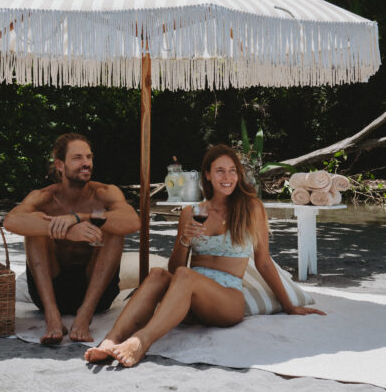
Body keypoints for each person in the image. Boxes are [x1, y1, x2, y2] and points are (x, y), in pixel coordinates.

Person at [85, 143, 325, 368]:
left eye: (232, 171)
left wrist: (289, 306)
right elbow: (175, 267)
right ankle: (111, 339)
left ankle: (141, 341)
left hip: (226, 302)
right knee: (158, 274)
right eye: (220, 171)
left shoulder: (251, 209)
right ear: (207, 175)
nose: (227, 177)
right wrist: (184, 240)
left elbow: (263, 262)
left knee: (185, 276)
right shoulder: (191, 212)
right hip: (188, 302)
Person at [4, 133, 140, 345]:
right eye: (77, 158)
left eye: (89, 157)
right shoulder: (44, 197)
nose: (86, 163)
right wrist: (65, 230)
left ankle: (83, 316)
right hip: (51, 292)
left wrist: (80, 218)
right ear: (60, 165)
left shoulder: (104, 192)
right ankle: (52, 317)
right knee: (34, 228)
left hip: (97, 293)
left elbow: (132, 221)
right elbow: (11, 221)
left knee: (112, 227)